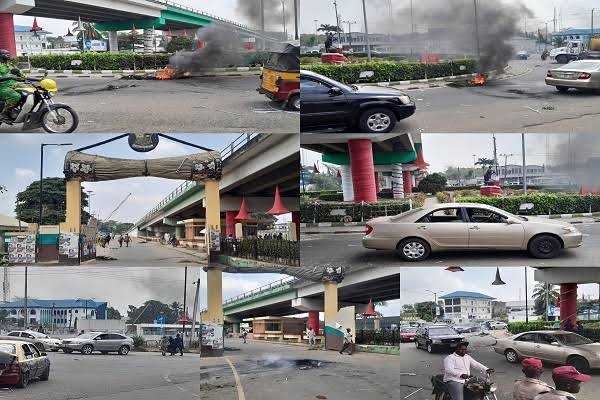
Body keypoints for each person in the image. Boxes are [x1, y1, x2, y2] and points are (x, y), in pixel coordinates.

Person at [0, 49, 24, 117]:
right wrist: (10, 76)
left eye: (8, 54)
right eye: (5, 54)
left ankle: (20, 110)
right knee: (16, 96)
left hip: (13, 85)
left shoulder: (10, 65)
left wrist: (21, 75)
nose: (8, 55)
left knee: (28, 91)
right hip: (2, 87)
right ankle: (4, 113)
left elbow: (20, 73)